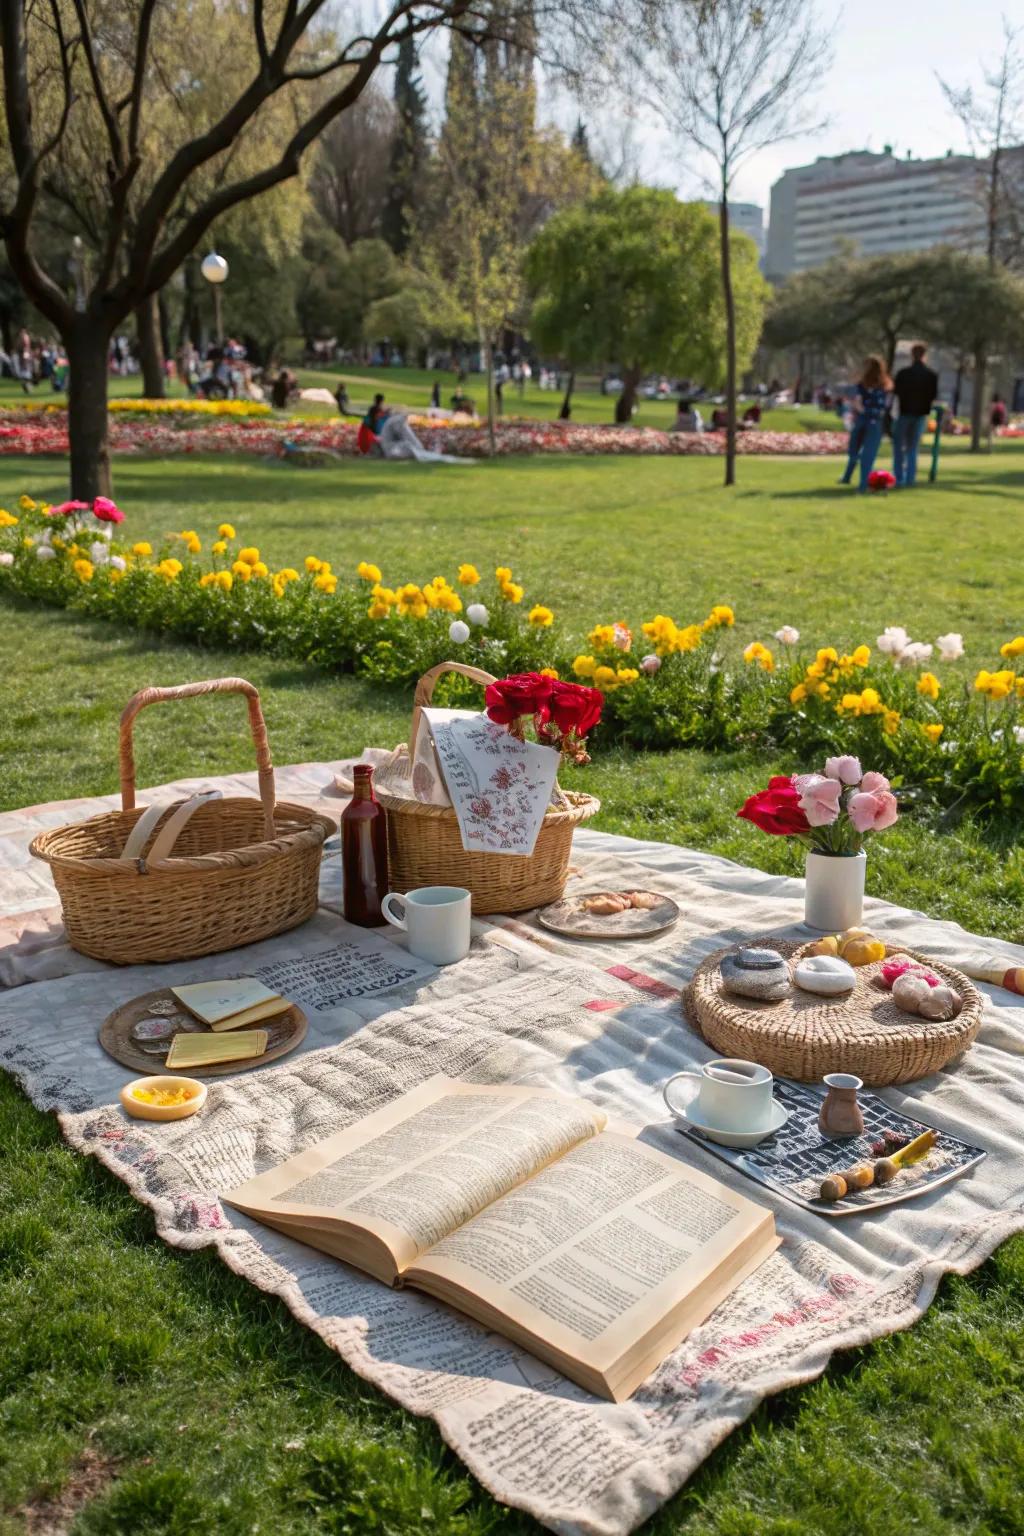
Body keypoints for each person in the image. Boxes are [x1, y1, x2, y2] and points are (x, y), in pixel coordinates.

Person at [840, 356, 892, 491]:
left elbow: (857, 403)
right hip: (876, 422)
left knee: (854, 451)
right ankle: (863, 484)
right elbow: (886, 406)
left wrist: (861, 410)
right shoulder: (886, 386)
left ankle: (847, 477)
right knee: (868, 455)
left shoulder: (861, 385)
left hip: (862, 420)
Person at [891, 343, 938, 488]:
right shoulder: (931, 375)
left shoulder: (903, 373)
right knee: (913, 447)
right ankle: (910, 478)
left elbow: (896, 392)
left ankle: (899, 477)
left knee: (899, 446)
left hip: (905, 412)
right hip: (920, 414)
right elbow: (932, 395)